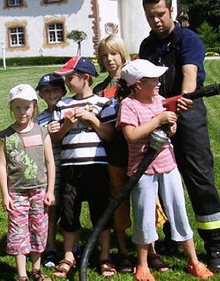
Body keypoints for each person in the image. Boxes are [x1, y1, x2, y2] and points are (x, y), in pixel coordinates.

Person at [138, 0, 220, 272]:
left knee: (199, 178)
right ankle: (169, 239)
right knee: (163, 178)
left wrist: (183, 101)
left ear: (171, 10)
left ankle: (216, 244)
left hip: (188, 116)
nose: (155, 20)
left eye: (160, 14)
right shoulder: (146, 46)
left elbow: (189, 74)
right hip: (158, 115)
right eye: (150, 15)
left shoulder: (188, 39)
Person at [116, 59, 213, 280]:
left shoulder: (159, 100)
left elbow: (169, 130)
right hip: (142, 170)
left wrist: (171, 126)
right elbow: (131, 135)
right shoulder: (129, 105)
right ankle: (142, 265)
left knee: (178, 211)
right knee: (144, 216)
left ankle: (193, 261)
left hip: (167, 165)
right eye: (154, 80)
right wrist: (158, 119)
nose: (159, 83)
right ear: (138, 84)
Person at [50, 56, 116, 279]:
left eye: (71, 78)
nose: (67, 82)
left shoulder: (103, 103)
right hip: (71, 166)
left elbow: (109, 135)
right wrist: (67, 123)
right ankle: (68, 255)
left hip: (96, 166)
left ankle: (105, 256)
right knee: (69, 213)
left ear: (85, 78)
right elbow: (57, 137)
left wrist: (92, 119)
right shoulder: (62, 105)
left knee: (101, 212)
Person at [0, 84, 56, 281]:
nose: (22, 112)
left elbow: (49, 162)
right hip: (17, 192)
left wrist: (50, 191)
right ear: (11, 109)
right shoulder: (6, 135)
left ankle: (36, 269)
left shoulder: (42, 132)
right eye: (17, 107)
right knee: (18, 230)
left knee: (39, 228)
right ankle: (22, 273)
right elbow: (2, 166)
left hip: (39, 190)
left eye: (26, 107)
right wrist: (5, 194)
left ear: (34, 107)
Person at [93, 34, 134, 273]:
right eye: (104, 55)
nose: (109, 59)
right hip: (114, 152)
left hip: (138, 150)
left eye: (114, 53)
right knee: (118, 200)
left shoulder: (134, 82)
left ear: (122, 55)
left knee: (144, 201)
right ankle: (123, 250)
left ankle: (150, 250)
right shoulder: (100, 90)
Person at [35, 73, 66, 269]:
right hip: (51, 170)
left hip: (70, 165)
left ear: (63, 91)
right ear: (41, 95)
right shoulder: (41, 119)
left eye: (55, 89)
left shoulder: (69, 110)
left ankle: (72, 246)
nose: (51, 93)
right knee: (52, 210)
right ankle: (50, 247)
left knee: (71, 209)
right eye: (46, 91)